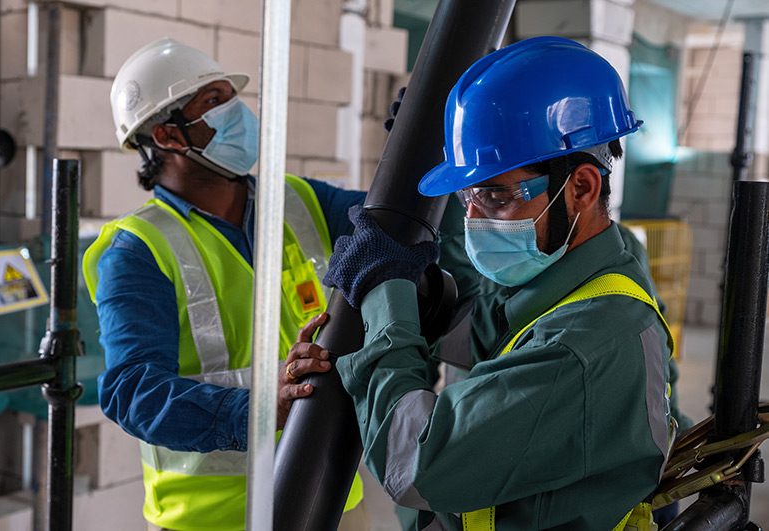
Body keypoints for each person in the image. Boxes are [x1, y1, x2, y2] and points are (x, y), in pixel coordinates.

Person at [322, 36, 676, 530]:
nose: (474, 219)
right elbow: (481, 329)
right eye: (468, 195)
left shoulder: (588, 340)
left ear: (581, 187)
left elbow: (415, 465)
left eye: (494, 194)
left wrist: (386, 293)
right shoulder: (562, 283)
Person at [81, 37, 366, 531]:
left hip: (333, 496)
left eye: (231, 97)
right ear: (169, 136)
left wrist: (427, 141)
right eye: (214, 102)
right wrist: (258, 410)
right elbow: (134, 391)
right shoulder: (137, 250)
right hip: (212, 519)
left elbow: (391, 224)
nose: (238, 113)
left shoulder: (298, 198)